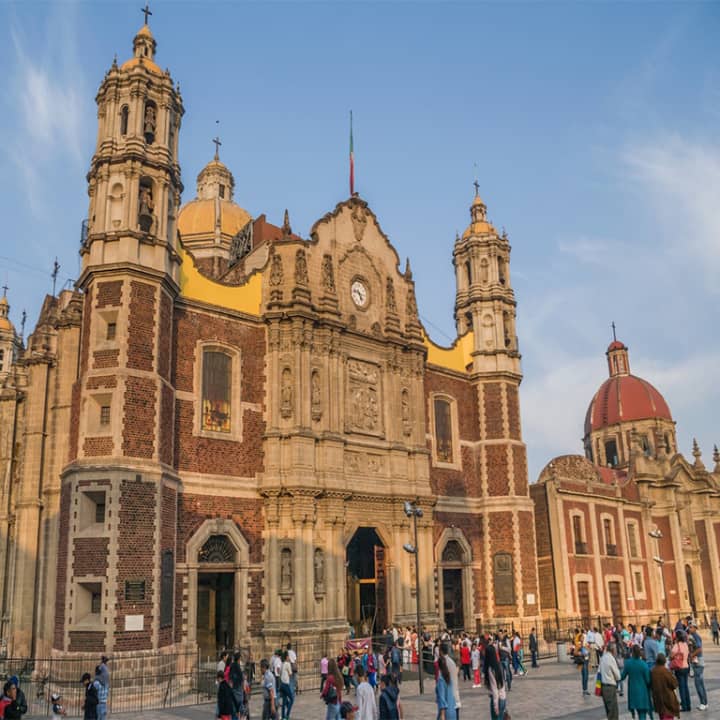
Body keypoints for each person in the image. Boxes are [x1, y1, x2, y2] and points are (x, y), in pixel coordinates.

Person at [620, 645, 652, 720]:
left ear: (632, 653)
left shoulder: (628, 663)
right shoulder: (644, 665)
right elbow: (648, 680)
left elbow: (622, 676)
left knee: (638, 712)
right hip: (643, 692)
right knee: (642, 714)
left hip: (633, 692)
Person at [651, 654, 680, 720]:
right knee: (668, 716)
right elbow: (674, 684)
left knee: (662, 716)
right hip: (667, 698)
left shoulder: (653, 671)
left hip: (658, 698)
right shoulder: (665, 671)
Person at [669, 630, 691, 713]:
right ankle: (688, 705)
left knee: (681, 688)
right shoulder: (685, 644)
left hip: (679, 668)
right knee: (686, 687)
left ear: (676, 637)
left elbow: (671, 656)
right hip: (686, 666)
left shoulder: (676, 645)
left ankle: (684, 706)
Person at [688, 621, 708, 711]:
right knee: (700, 683)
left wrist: (691, 655)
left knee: (698, 683)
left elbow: (699, 649)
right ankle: (705, 702)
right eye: (689, 627)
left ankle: (703, 703)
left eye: (691, 627)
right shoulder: (693, 636)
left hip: (698, 662)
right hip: (697, 661)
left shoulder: (696, 636)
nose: (690, 628)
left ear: (695, 628)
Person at [484, 642, 506, 720]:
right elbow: (503, 683)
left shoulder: (491, 669)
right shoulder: (499, 665)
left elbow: (495, 690)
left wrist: (496, 707)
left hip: (497, 700)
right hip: (503, 698)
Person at [598, 645, 621, 720]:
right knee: (613, 712)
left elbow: (599, 672)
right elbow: (618, 676)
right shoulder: (611, 659)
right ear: (613, 650)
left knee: (608, 710)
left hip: (603, 686)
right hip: (610, 686)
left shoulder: (603, 658)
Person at [436, 655, 457, 720]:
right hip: (452, 710)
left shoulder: (441, 680)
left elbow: (442, 699)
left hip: (445, 713)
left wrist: (442, 715)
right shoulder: (448, 678)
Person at [279, 650, 294, 720]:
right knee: (292, 699)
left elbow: (279, 673)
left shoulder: (282, 664)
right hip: (285, 684)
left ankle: (283, 717)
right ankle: (287, 715)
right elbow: (290, 674)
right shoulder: (288, 664)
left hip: (281, 684)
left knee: (284, 700)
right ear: (287, 657)